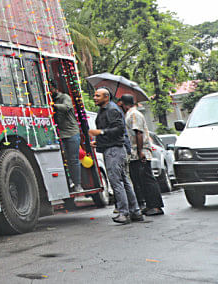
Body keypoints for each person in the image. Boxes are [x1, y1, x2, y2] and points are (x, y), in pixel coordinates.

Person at [88, 88, 142, 224]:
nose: (94, 98)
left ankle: (124, 212)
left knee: (116, 181)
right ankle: (135, 211)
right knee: (124, 181)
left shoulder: (111, 110)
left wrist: (100, 133)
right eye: (94, 95)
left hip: (114, 151)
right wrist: (99, 141)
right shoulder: (105, 110)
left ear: (106, 97)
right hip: (113, 149)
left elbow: (119, 130)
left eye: (97, 96)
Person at [118, 94, 165, 216]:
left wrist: (140, 152)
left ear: (123, 103)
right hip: (134, 152)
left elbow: (139, 133)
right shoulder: (129, 114)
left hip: (140, 151)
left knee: (147, 179)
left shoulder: (134, 114)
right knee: (140, 180)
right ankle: (149, 205)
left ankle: (156, 206)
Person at [50, 81, 83, 192]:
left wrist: (53, 106)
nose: (49, 91)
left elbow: (67, 107)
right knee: (62, 160)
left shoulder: (64, 97)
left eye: (51, 89)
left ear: (55, 88)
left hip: (72, 133)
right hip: (60, 134)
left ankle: (78, 184)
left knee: (73, 159)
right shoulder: (50, 100)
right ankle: (68, 182)